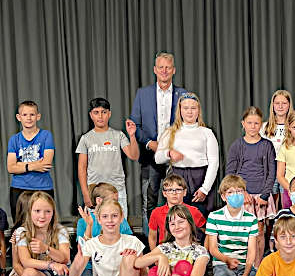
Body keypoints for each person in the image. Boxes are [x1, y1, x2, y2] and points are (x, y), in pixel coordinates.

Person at [131, 52, 187, 229]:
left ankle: (174, 236)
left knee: (176, 200)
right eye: (161, 67)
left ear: (173, 70)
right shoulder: (142, 94)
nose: (164, 71)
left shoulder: (183, 94)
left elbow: (189, 123)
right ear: (155, 70)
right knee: (149, 201)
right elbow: (135, 125)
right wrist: (150, 143)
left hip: (176, 157)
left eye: (168, 67)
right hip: (150, 156)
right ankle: (150, 240)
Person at [225, 106, 277, 264]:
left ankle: (257, 265)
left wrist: (265, 195)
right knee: (242, 231)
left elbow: (272, 172)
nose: (253, 126)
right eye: (249, 123)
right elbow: (230, 173)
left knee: (259, 231)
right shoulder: (237, 145)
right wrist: (242, 192)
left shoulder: (267, 145)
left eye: (256, 123)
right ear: (243, 124)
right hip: (242, 196)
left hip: (260, 195)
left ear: (261, 124)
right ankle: (242, 263)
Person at [14, 192, 74, 276]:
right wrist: (51, 265)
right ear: (30, 211)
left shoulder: (60, 231)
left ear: (53, 213)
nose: (42, 216)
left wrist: (46, 249)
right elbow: (25, 261)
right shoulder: (22, 232)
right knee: (28, 274)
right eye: (37, 211)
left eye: (47, 211)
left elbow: (65, 258)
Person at [154, 92, 219, 215]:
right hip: (177, 178)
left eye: (193, 108)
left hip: (200, 178)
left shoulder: (207, 133)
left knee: (199, 216)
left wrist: (205, 189)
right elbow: (158, 158)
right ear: (180, 111)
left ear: (198, 111)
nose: (189, 112)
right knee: (177, 215)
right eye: (186, 108)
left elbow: (214, 162)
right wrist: (169, 153)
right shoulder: (170, 132)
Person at [76, 97, 140, 217]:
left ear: (109, 114)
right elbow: (81, 168)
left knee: (119, 224)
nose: (100, 116)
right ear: (91, 115)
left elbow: (134, 155)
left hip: (117, 191)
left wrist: (132, 136)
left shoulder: (118, 135)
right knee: (96, 225)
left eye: (104, 112)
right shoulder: (86, 138)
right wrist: (85, 194)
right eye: (96, 112)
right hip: (95, 191)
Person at [205, 175, 260, 276]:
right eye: (230, 192)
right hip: (223, 265)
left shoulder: (251, 219)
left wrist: (246, 273)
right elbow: (213, 249)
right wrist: (227, 260)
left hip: (245, 265)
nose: (235, 195)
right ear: (223, 197)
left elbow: (252, 251)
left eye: (239, 191)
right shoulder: (214, 217)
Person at [76, 183, 135, 276]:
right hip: (90, 267)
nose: (116, 204)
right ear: (99, 201)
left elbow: (129, 242)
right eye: (113, 200)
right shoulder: (83, 222)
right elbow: (83, 251)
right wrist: (89, 226)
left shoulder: (120, 220)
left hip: (115, 264)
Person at [6, 100, 55, 227]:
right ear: (19, 117)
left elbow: (46, 164)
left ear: (38, 116)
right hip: (19, 188)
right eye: (25, 115)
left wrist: (20, 165)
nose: (29, 118)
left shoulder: (46, 135)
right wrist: (33, 166)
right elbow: (11, 167)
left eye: (32, 114)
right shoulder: (14, 140)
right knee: (20, 227)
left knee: (44, 226)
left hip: (43, 187)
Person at [147, 174, 206, 250]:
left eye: (178, 190)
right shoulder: (156, 212)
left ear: (184, 192)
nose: (174, 193)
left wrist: (204, 251)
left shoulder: (193, 211)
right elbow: (152, 237)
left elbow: (208, 233)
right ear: (164, 193)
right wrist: (154, 254)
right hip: (165, 251)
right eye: (170, 190)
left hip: (188, 250)